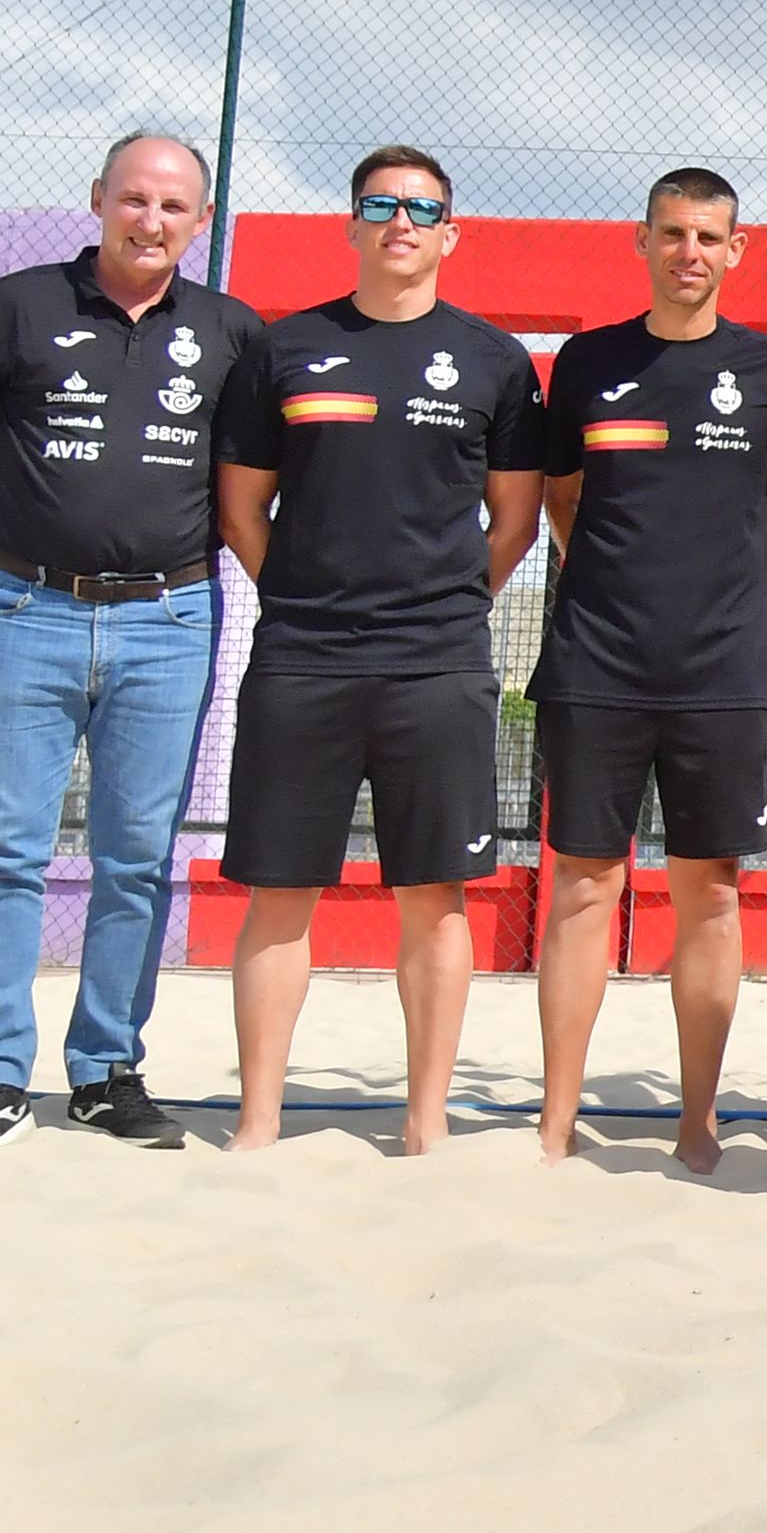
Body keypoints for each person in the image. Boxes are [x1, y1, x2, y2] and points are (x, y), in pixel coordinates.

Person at [0, 130, 263, 1151]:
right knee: (6, 854)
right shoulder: (12, 307)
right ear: (98, 200)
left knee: (135, 860)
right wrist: (5, 571)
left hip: (170, 620)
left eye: (173, 206)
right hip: (30, 612)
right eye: (134, 199)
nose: (150, 220)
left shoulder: (235, 333)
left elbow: (248, 484)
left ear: (201, 222)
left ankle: (107, 1069)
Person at [213, 147, 545, 1153]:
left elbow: (516, 524)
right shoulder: (284, 349)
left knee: (433, 897)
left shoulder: (492, 362)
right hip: (302, 659)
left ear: (451, 232)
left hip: (437, 665)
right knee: (280, 894)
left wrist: (438, 608)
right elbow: (240, 508)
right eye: (381, 205)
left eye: (422, 209)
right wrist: (311, 597)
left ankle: (424, 1122)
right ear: (352, 224)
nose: (401, 222)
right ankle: (258, 1121)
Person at [528, 169, 767, 1171]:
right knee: (582, 887)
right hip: (596, 661)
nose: (689, 251)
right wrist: (620, 582)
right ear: (642, 243)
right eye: (671, 234)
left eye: (708, 236)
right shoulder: (586, 363)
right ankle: (556, 1120)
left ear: (736, 250)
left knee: (713, 894)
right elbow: (562, 500)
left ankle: (698, 1121)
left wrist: (726, 585)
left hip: (720, 670)